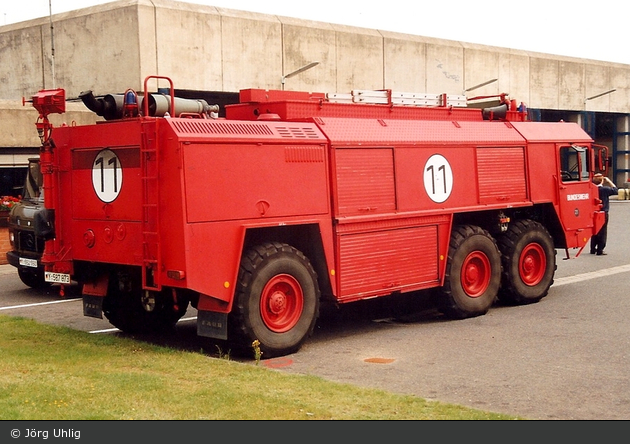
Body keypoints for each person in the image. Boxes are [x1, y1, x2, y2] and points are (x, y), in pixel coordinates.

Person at [590, 173, 618, 255]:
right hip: (603, 212)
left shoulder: (591, 189)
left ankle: (592, 248)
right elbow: (615, 190)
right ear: (602, 181)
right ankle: (600, 249)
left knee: (595, 230)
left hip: (593, 212)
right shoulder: (604, 189)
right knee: (603, 231)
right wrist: (609, 181)